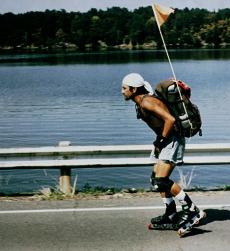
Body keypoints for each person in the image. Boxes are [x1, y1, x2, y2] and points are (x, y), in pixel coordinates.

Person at [121, 73, 205, 235]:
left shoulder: (147, 102)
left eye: (124, 88)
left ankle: (192, 210)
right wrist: (159, 142)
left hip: (171, 140)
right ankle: (171, 212)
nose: (122, 91)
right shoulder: (140, 102)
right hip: (164, 141)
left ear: (134, 88)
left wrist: (160, 141)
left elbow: (170, 120)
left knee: (162, 180)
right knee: (156, 180)